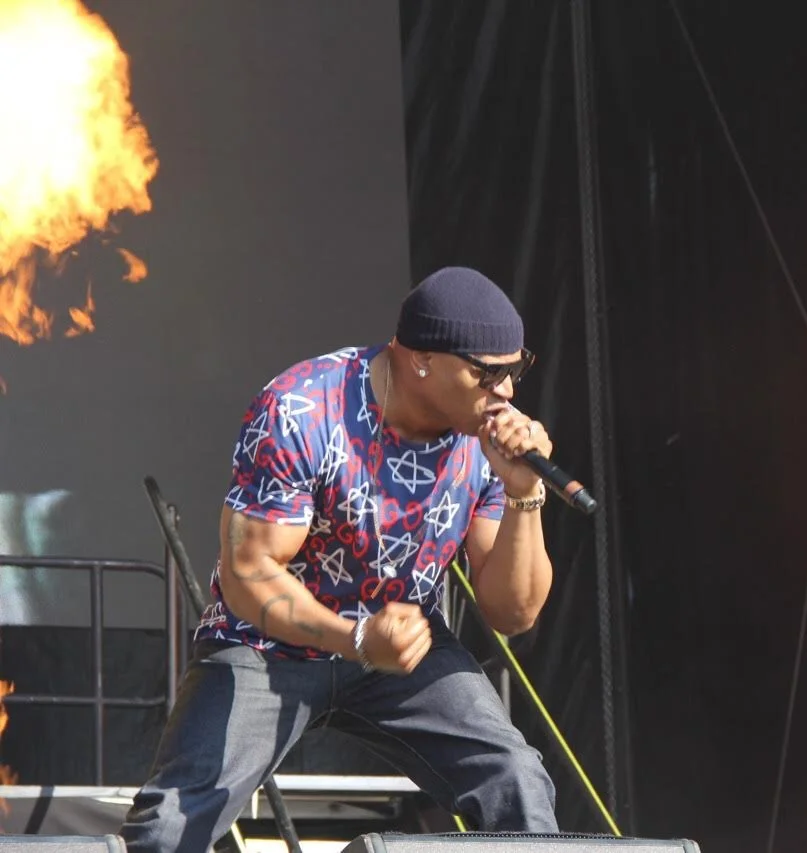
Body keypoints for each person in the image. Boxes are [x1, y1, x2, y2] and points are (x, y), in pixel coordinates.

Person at [121, 267, 559, 852]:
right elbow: (249, 574)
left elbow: (513, 613)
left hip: (402, 646)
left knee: (517, 781)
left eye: (515, 369)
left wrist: (524, 493)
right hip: (268, 646)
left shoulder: (485, 440)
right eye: (487, 373)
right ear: (421, 359)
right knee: (169, 827)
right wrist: (354, 639)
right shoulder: (303, 409)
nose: (505, 391)